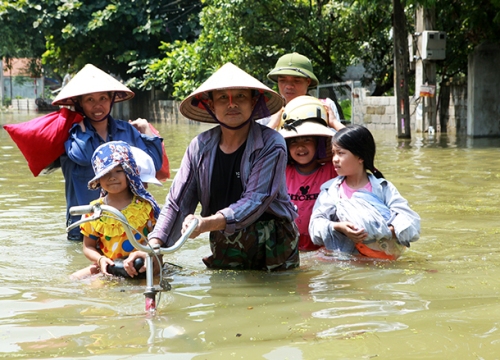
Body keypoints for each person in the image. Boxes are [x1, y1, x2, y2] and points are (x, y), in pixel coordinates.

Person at [142, 62, 299, 271]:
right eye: (223, 97)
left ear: (253, 102)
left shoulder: (271, 143)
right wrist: (155, 245)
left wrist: (207, 223)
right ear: (211, 105)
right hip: (224, 241)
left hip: (273, 244)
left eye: (240, 97)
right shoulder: (199, 147)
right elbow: (177, 203)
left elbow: (255, 200)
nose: (232, 104)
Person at [52, 64, 164, 242]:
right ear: (80, 103)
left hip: (125, 226)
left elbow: (153, 165)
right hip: (84, 225)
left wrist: (146, 131)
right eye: (89, 99)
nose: (97, 105)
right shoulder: (73, 135)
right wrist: (82, 130)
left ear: (111, 100)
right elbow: (83, 157)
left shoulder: (126, 131)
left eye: (103, 98)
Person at [309, 125, 420, 260]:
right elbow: (315, 227)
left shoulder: (382, 188)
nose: (334, 159)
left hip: (379, 261)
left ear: (360, 156)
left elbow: (411, 223)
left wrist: (383, 231)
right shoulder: (331, 191)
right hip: (344, 262)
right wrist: (338, 227)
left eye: (340, 153)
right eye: (333, 153)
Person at [70, 141, 161, 280]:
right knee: (73, 279)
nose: (112, 177)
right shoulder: (95, 210)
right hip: (109, 267)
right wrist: (100, 260)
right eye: (105, 173)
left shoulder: (145, 207)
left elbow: (160, 240)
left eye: (119, 171)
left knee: (148, 289)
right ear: (98, 179)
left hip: (142, 266)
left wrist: (153, 260)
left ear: (129, 173)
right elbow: (88, 247)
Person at [279, 96, 338, 251]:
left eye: (307, 141)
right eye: (294, 142)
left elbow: (360, 153)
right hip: (290, 245)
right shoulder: (282, 171)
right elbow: (259, 153)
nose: (300, 147)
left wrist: (333, 123)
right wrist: (277, 119)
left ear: (318, 143)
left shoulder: (331, 170)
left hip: (322, 247)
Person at [264, 52, 343, 131]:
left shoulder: (325, 107)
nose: (289, 86)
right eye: (282, 80)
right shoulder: (268, 111)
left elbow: (342, 141)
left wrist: (334, 123)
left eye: (297, 81)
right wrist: (273, 123)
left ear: (308, 81)